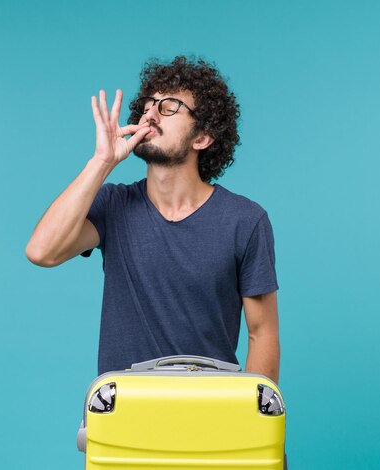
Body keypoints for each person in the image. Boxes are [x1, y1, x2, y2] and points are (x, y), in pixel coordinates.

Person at [26, 56, 280, 383]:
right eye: (150, 103)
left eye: (170, 105)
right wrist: (101, 162)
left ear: (202, 137)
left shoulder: (245, 221)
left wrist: (252, 422)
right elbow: (41, 251)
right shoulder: (114, 204)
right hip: (126, 416)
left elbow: (262, 334)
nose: (151, 112)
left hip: (210, 415)